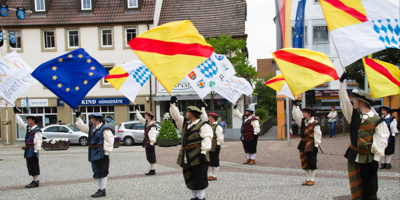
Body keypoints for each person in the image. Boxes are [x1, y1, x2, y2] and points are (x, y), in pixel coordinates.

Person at [339, 73, 389, 200]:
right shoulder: (354, 116)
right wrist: (341, 83)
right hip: (354, 156)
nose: (353, 101)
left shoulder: (377, 120)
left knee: (370, 190)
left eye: (355, 100)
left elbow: (381, 141)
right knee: (356, 188)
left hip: (369, 159)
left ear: (362, 102)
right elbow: (344, 103)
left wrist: (376, 160)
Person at [170, 96, 212, 200]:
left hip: (198, 157)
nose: (186, 113)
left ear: (193, 114)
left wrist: (203, 153)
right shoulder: (185, 124)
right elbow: (176, 116)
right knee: (190, 178)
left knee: (200, 178)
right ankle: (194, 198)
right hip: (186, 157)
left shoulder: (203, 125)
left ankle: (201, 198)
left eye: (187, 112)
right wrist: (173, 105)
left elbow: (207, 138)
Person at [75, 112, 114, 198]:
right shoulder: (92, 128)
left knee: (103, 171)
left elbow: (110, 140)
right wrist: (78, 118)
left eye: (92, 118)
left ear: (97, 119)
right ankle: (99, 189)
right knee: (96, 171)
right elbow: (83, 127)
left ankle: (102, 189)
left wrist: (106, 152)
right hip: (93, 152)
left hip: (102, 152)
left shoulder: (105, 129)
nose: (91, 119)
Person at [292, 102, 322, 186]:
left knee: (312, 161)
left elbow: (318, 135)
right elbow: (296, 116)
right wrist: (294, 107)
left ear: (309, 114)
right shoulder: (303, 122)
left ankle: (312, 179)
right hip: (303, 143)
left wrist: (316, 145)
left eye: (305, 112)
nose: (303, 114)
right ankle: (307, 178)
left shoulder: (315, 123)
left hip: (311, 144)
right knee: (304, 161)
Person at [14, 107, 43, 188]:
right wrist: (16, 114)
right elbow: (20, 123)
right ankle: (34, 180)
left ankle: (36, 181)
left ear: (33, 120)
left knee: (34, 165)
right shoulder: (28, 128)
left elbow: (38, 141)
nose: (28, 120)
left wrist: (36, 151)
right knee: (30, 165)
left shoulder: (36, 130)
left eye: (29, 119)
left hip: (33, 150)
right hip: (28, 150)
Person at [200, 108, 224, 181]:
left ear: (213, 118)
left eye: (210, 117)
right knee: (210, 160)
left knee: (215, 160)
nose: (209, 118)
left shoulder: (217, 126)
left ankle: (215, 175)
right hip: (209, 145)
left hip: (214, 145)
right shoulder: (209, 125)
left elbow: (220, 136)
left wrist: (218, 145)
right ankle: (211, 174)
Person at [136, 110, 157, 175]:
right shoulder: (147, 123)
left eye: (146, 115)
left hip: (150, 143)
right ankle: (152, 169)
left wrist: (151, 143)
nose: (145, 116)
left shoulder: (152, 125)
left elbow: (153, 135)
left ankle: (153, 170)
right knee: (149, 156)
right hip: (147, 143)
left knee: (152, 156)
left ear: (149, 117)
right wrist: (137, 111)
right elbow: (140, 118)